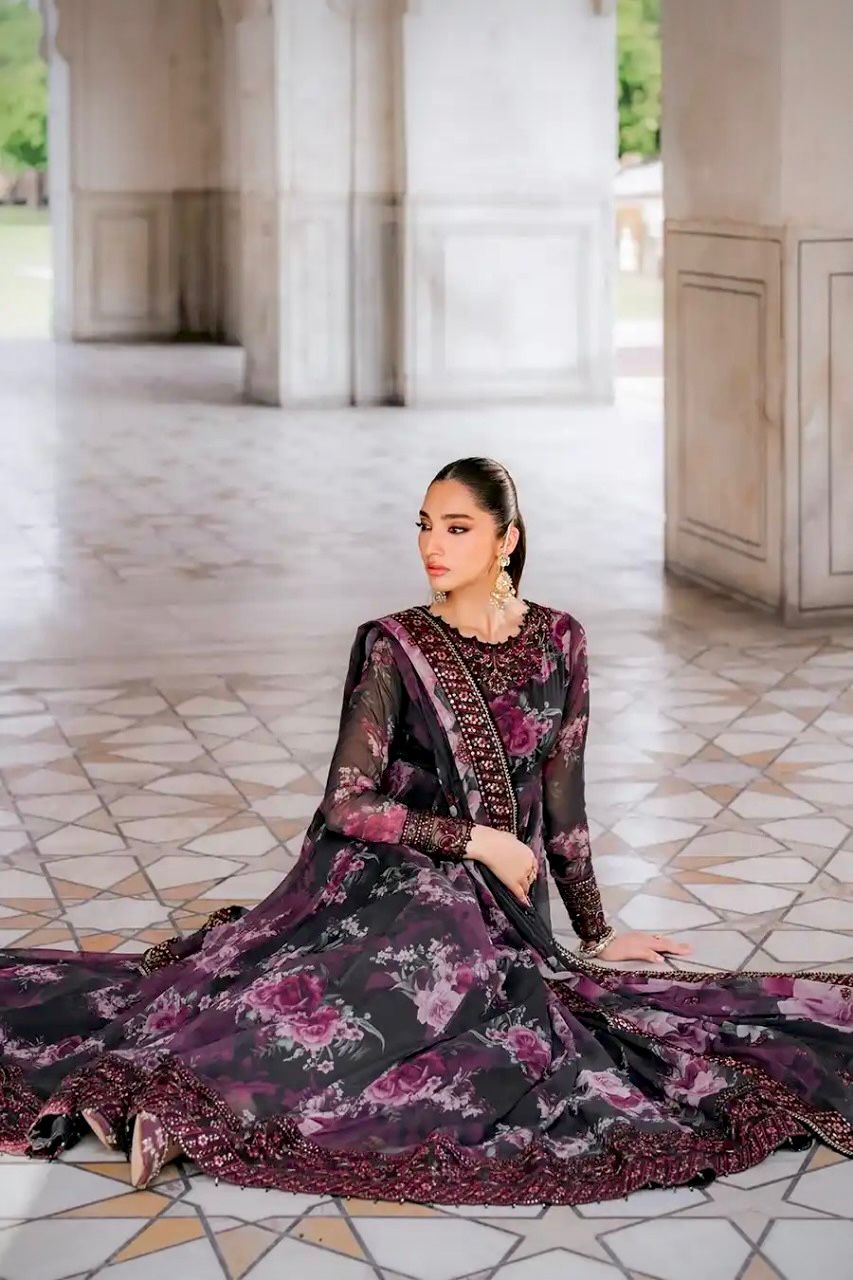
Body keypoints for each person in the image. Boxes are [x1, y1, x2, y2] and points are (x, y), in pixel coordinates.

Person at [0, 456, 851, 1205]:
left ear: (506, 539)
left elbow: (564, 802)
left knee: (487, 1000)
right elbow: (346, 803)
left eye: (456, 526)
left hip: (502, 903)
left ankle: (202, 1098)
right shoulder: (395, 645)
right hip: (385, 869)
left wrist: (595, 933)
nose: (431, 546)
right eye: (423, 525)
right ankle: (184, 1099)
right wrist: (478, 841)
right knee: (407, 961)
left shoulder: (560, 641)